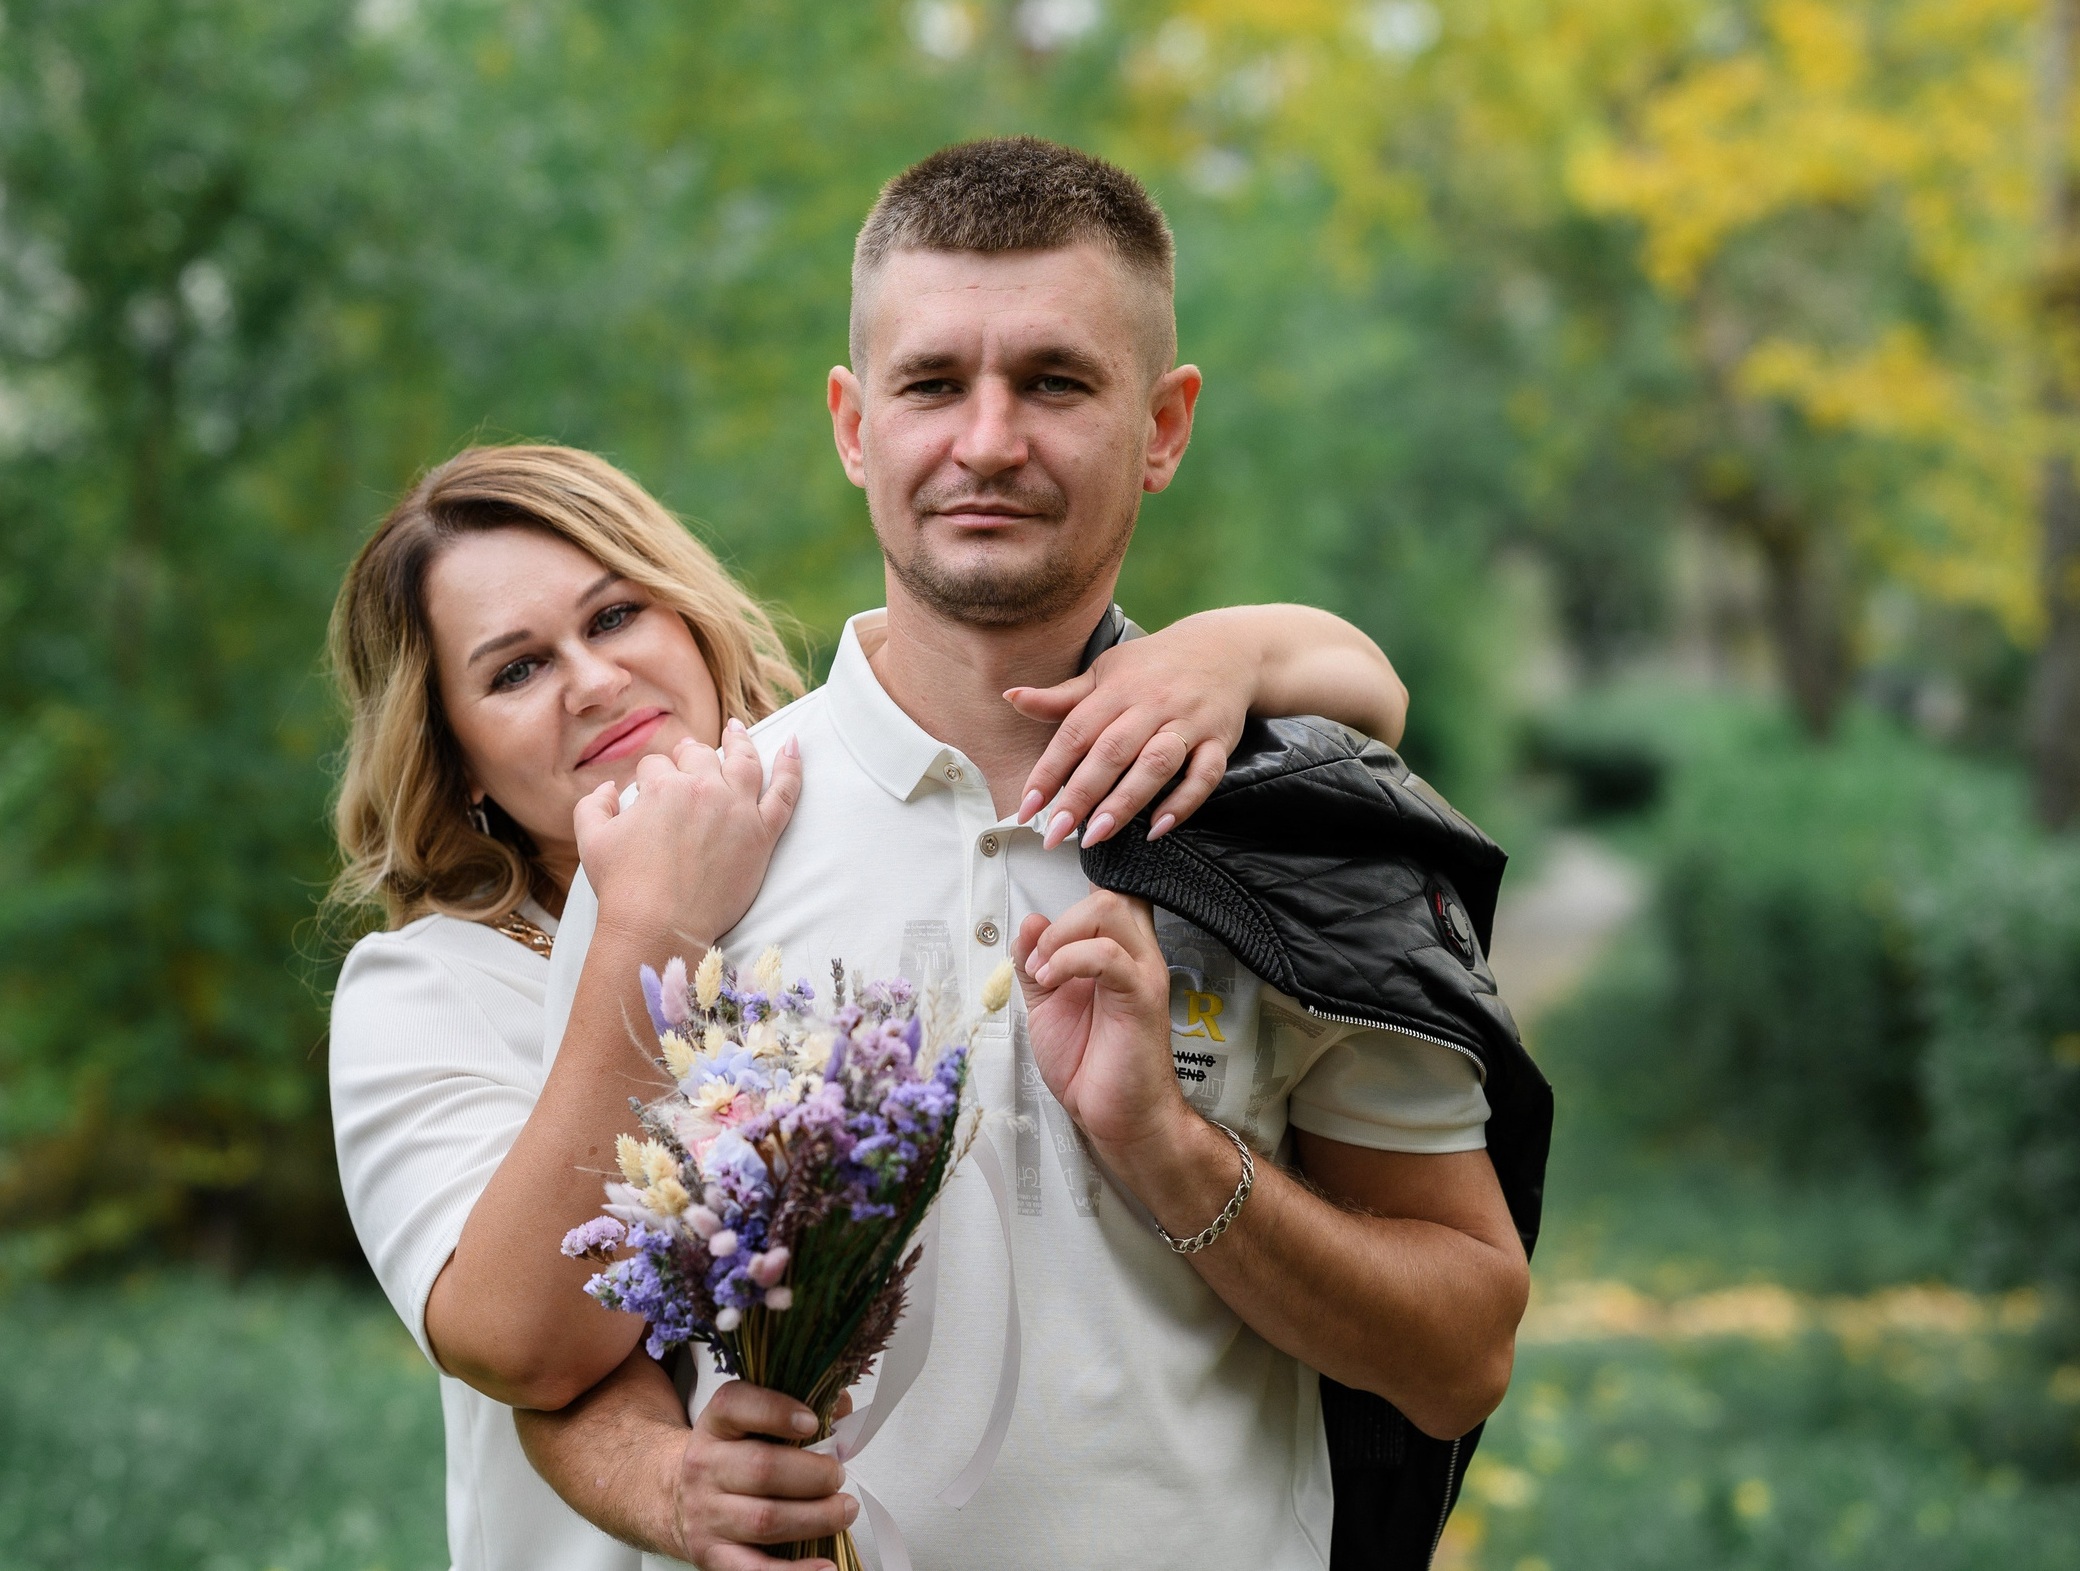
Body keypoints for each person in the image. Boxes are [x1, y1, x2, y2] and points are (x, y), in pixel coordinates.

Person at [517, 138, 1531, 1571]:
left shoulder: (1294, 828)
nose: (987, 441)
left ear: (1163, 426)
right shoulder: (685, 850)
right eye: (932, 383)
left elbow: (1462, 1355)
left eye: (1055, 381)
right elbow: (555, 1356)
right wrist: (675, 1483)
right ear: (853, 423)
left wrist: (1171, 1151)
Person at [322, 443, 1415, 1570]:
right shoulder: (429, 991)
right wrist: (655, 923)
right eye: (514, 671)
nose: (592, 680)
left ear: (690, 618)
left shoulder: (840, 813)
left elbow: (1372, 690)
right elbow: (524, 1344)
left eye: (614, 615)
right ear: (453, 755)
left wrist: (1225, 651)